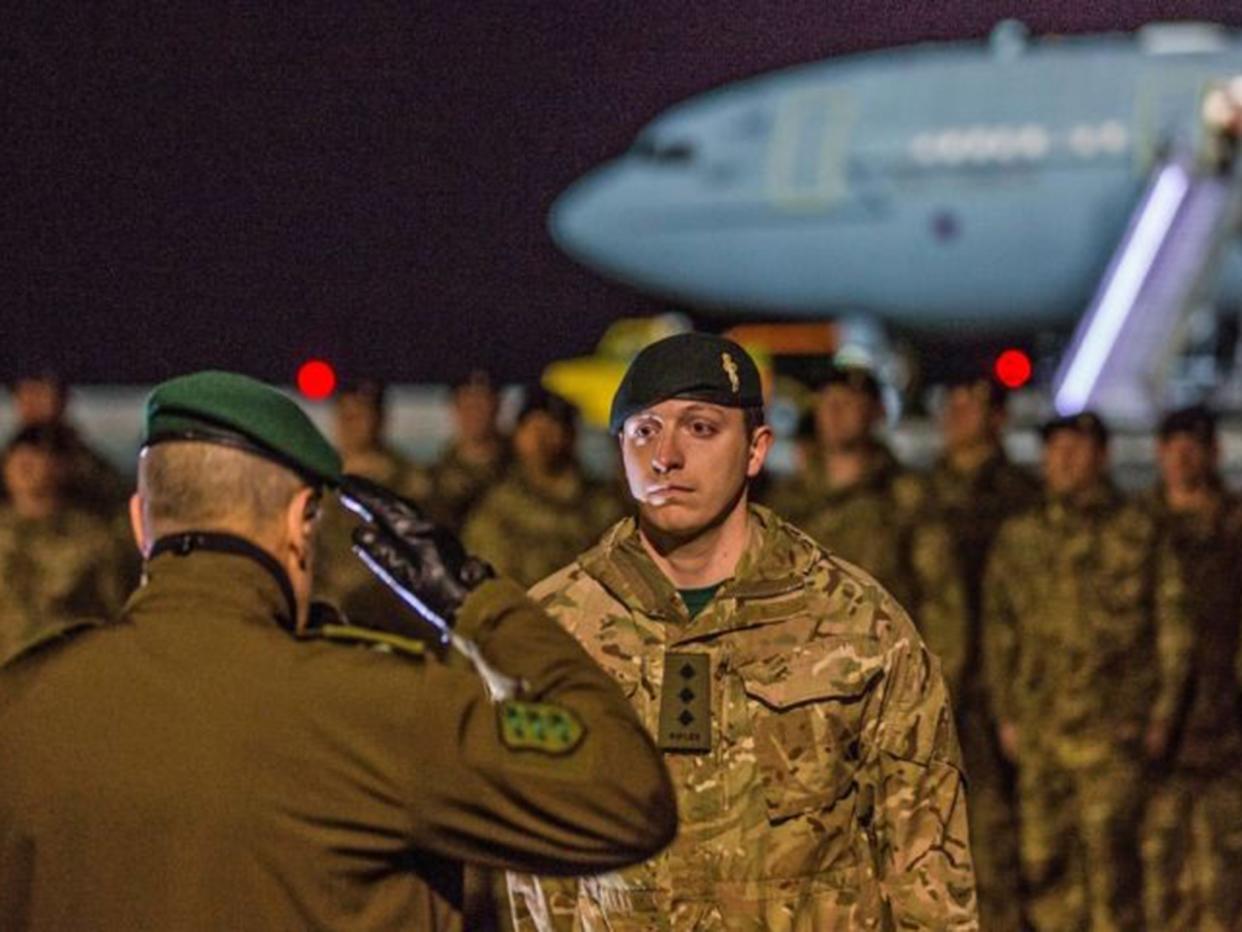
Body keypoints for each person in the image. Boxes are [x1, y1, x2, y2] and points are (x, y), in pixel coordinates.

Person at [0, 370, 677, 931]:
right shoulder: (377, 705)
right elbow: (625, 792)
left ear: (141, 523)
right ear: (301, 524)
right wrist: (478, 603)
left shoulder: (23, 701)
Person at [507, 334, 977, 929]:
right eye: (644, 430)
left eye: (700, 428)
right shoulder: (555, 627)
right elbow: (540, 870)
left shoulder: (857, 624)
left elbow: (926, 863)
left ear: (756, 449)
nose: (666, 456)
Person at [982, 411, 1192, 932]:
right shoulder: (1021, 537)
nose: (1064, 459)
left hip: (1114, 733)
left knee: (1113, 877)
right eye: (1055, 448)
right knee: (1044, 870)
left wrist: (1161, 716)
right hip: (1041, 732)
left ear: (1101, 456)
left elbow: (1172, 626)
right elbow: (999, 629)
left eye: (1077, 447)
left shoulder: (1138, 530)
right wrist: (1005, 713)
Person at [764, 362, 969, 696]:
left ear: (875, 413)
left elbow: (941, 598)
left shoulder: (905, 497)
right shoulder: (788, 502)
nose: (834, 412)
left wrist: (934, 689)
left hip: (881, 687)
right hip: (800, 693)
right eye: (826, 401)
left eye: (848, 402)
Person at [920, 374, 1039, 932]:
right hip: (929, 688)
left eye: (972, 403)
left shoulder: (1022, 496)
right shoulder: (916, 495)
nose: (958, 413)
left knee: (997, 845)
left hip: (998, 698)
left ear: (998, 419)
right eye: (955, 401)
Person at [1137, 405, 1242, 930]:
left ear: (1213, 453)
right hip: (1157, 739)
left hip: (1228, 737)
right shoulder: (1135, 529)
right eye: (1171, 444)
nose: (1181, 456)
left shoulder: (1234, 527)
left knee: (1226, 888)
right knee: (1161, 886)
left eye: (1193, 444)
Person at [463, 388, 624, 588]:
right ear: (518, 435)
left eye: (552, 428)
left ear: (570, 436)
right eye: (534, 428)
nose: (542, 439)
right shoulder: (495, 509)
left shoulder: (604, 507)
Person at [0, 423, 130, 662]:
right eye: (20, 455)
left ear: (62, 467)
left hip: (63, 670)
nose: (26, 464)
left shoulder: (93, 538)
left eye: (39, 455)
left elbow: (115, 611)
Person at [314, 378, 431, 608]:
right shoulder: (317, 478)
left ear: (379, 419)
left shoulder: (412, 482)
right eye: (344, 414)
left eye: (360, 414)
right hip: (330, 609)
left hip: (393, 610)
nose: (351, 423)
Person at [6, 370, 130, 519]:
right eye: (26, 393)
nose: (33, 402)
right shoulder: (9, 457)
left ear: (62, 399)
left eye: (41, 393)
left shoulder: (88, 465)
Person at [426, 369, 511, 531]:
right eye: (467, 401)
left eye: (483, 400)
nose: (475, 410)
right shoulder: (432, 480)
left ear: (498, 404)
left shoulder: (525, 470)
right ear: (455, 406)